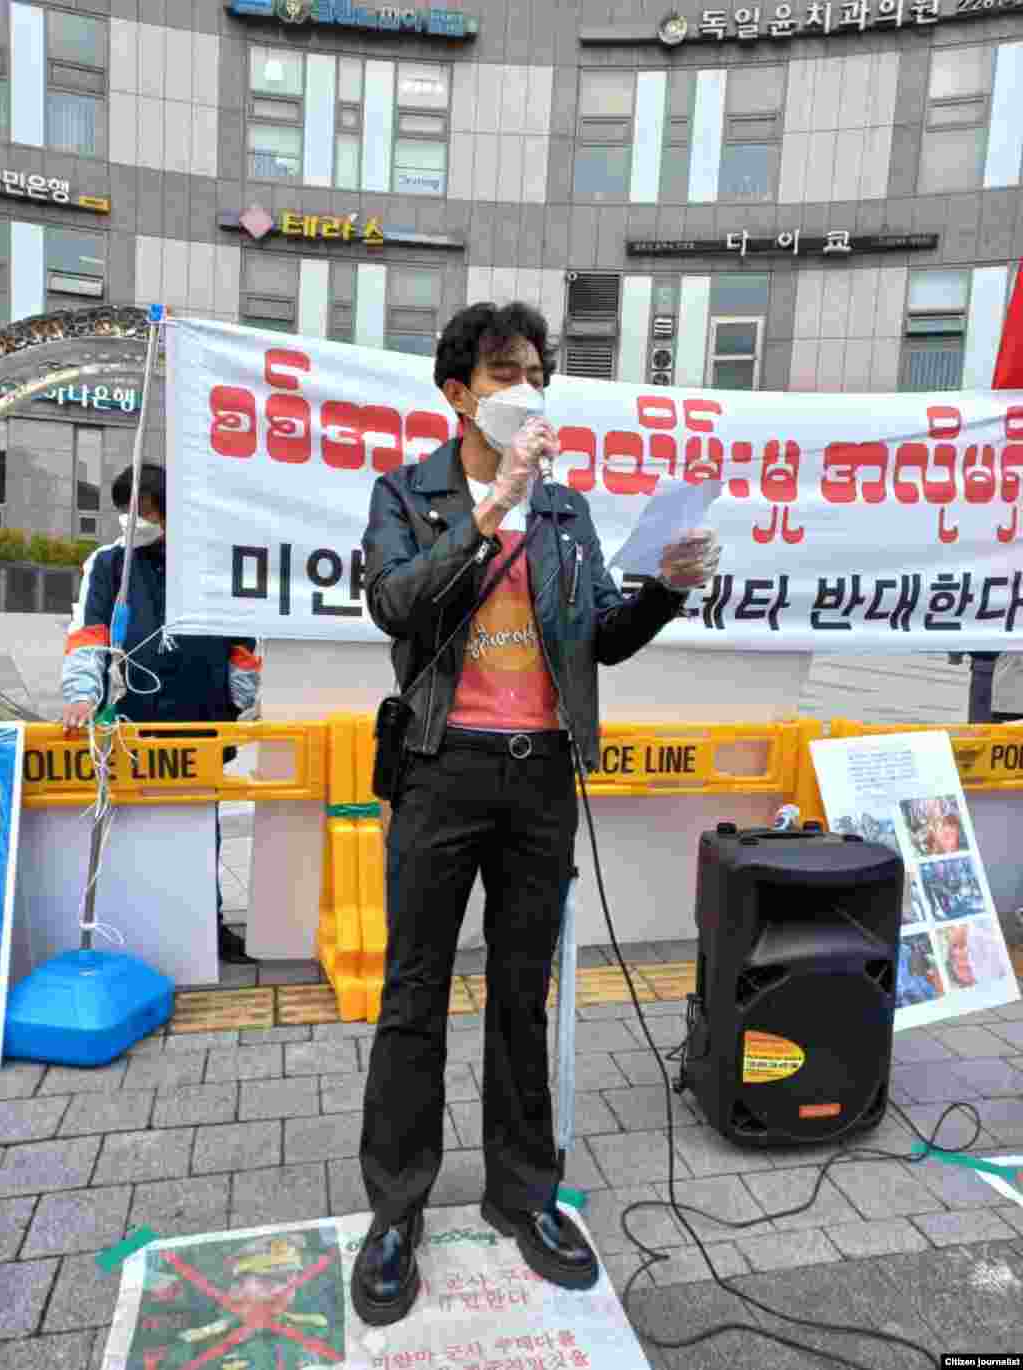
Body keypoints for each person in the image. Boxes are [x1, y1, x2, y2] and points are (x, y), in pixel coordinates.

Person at [354, 301, 721, 1327]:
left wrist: (664, 589)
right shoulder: (407, 492)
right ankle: (395, 1212)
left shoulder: (563, 510)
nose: (527, 392)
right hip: (439, 770)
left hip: (540, 778)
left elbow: (596, 635)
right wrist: (485, 511)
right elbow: (395, 605)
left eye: (537, 374)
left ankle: (523, 1193)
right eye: (505, 373)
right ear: (458, 392)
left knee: (522, 993)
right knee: (413, 992)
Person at [61, 463, 262, 964]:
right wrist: (83, 694)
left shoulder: (210, 564)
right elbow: (90, 636)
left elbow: (243, 643)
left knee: (202, 827)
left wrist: (238, 700)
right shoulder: (110, 565)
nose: (136, 520)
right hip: (134, 720)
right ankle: (139, 928)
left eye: (145, 509)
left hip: (202, 722)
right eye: (127, 510)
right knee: (136, 825)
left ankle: (208, 928)